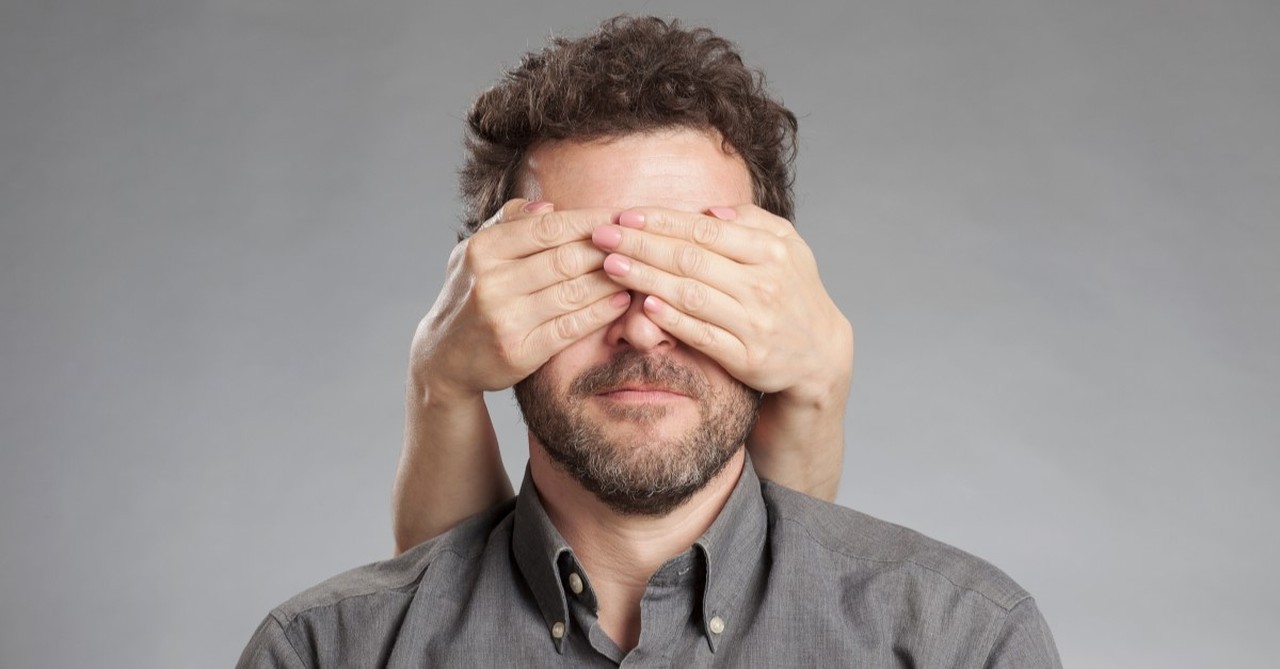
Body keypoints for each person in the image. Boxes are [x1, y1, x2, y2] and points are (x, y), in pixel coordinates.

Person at [237, 16, 1061, 668]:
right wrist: (438, 378)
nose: (641, 325)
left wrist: (821, 372)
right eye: (584, 278)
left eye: (696, 280)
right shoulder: (318, 650)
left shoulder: (964, 642)